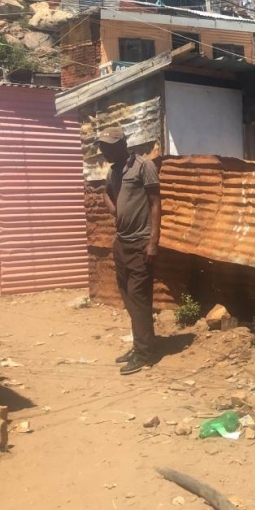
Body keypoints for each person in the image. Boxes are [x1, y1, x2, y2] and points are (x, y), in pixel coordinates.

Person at [98, 127, 161, 375]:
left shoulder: (144, 166)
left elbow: (156, 203)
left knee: (139, 298)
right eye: (102, 147)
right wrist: (115, 211)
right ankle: (140, 345)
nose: (103, 151)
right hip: (121, 243)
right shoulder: (114, 171)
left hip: (140, 243)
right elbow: (104, 193)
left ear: (122, 144)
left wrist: (153, 241)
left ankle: (145, 353)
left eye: (108, 146)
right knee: (128, 298)